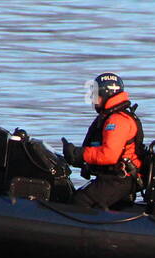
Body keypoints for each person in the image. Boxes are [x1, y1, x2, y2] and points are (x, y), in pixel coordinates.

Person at [62, 72, 145, 209]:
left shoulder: (117, 121)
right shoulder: (110, 117)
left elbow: (109, 155)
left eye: (96, 94)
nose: (93, 99)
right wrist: (75, 158)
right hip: (115, 177)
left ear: (107, 94)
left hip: (120, 179)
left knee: (80, 201)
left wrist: (80, 154)